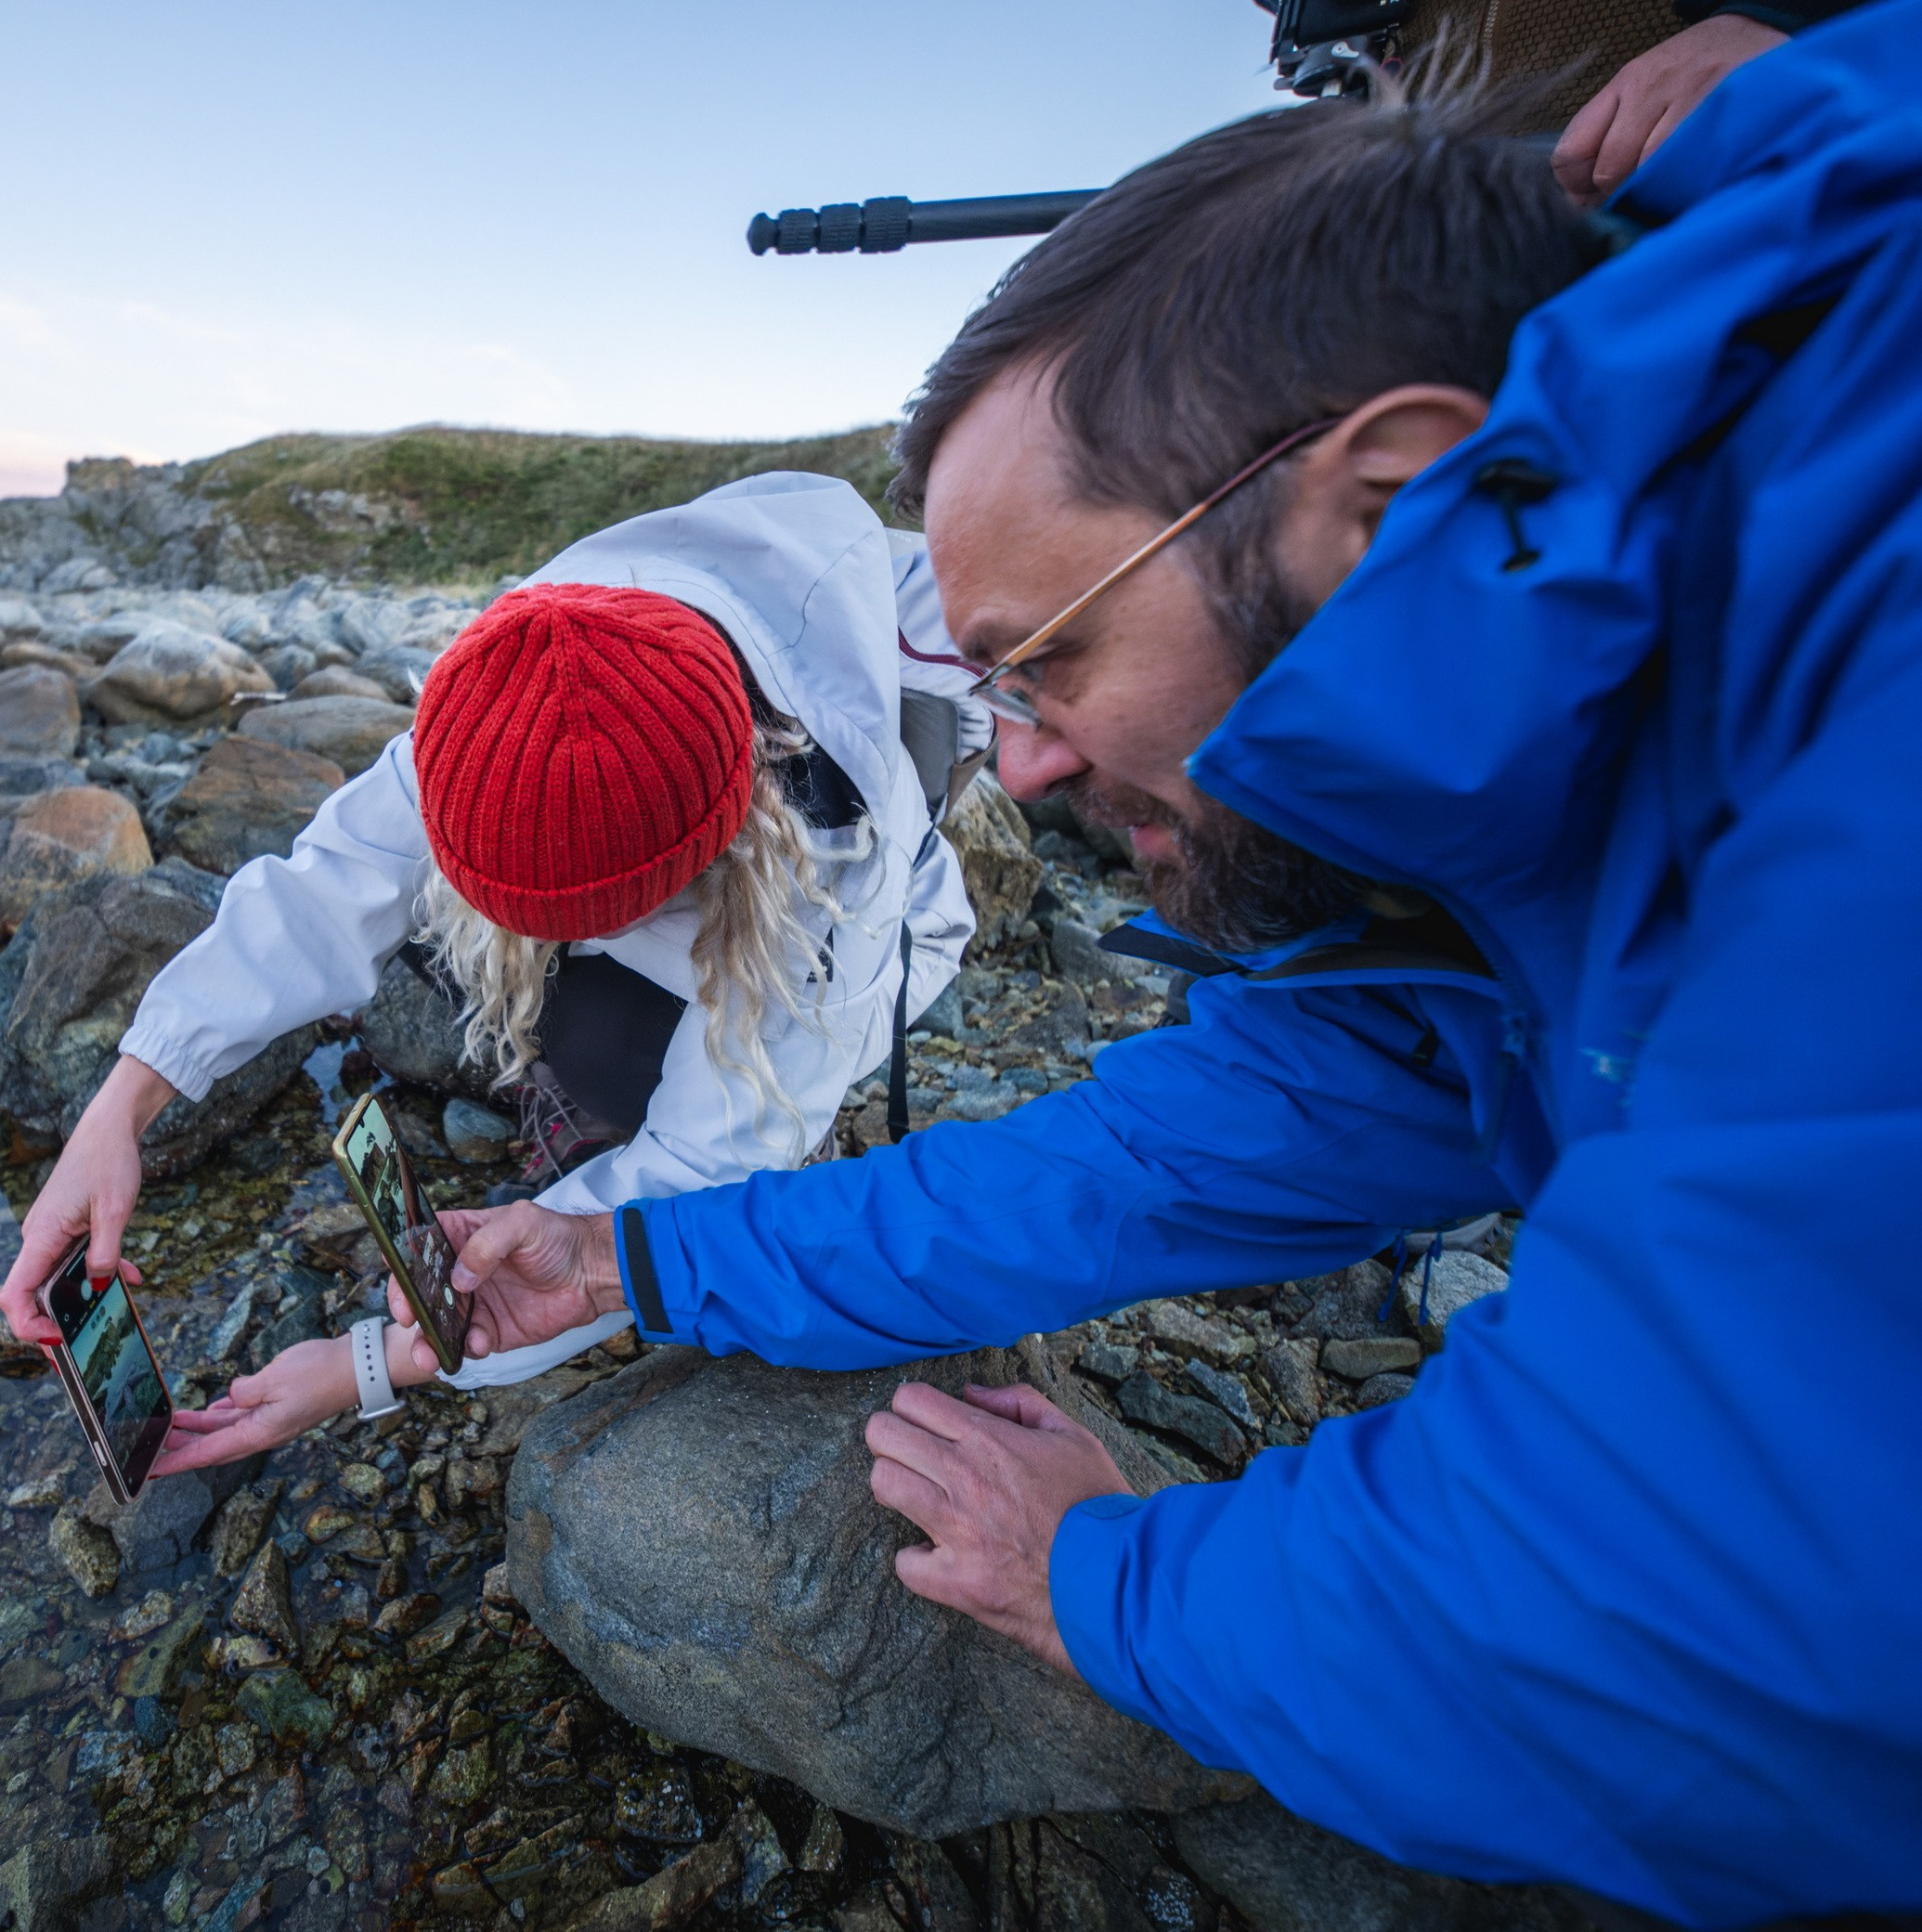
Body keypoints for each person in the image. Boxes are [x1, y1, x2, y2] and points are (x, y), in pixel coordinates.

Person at [398, 13, 1922, 1929]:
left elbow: (1730, 1609)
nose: (1017, 761)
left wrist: (1102, 1578)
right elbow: (1120, 1171)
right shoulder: (1465, 868)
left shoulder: (1873, 690)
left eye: (1045, 657)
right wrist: (633, 1260)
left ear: (1384, 496)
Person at [0, 473, 984, 1465]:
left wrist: (371, 1362)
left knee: (614, 1077)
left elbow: (707, 1165)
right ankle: (578, 1034)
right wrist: (119, 1108)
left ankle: (602, 1080)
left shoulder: (837, 865)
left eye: (567, 921)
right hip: (676, 840)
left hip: (825, 908)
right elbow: (317, 893)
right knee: (449, 959)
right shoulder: (506, 693)